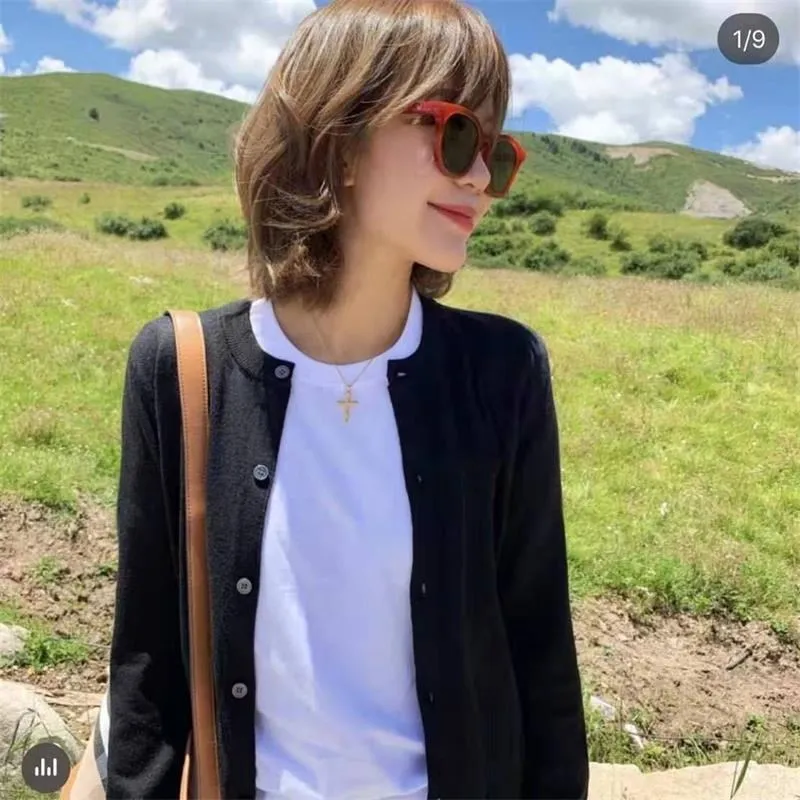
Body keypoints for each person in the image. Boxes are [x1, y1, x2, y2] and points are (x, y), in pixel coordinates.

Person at [103, 0, 590, 797]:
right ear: (341, 137)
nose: (479, 178)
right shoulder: (182, 368)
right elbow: (147, 662)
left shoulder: (503, 371)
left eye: (496, 153)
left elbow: (540, 650)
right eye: (456, 133)